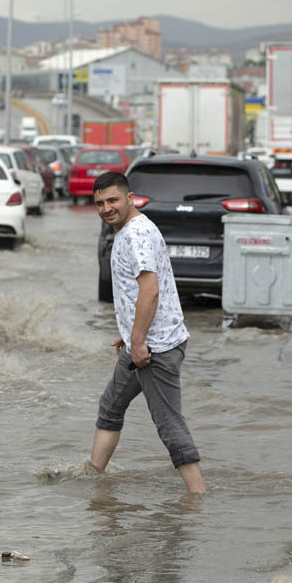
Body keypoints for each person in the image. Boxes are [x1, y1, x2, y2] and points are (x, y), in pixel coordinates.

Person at [87, 171, 206, 493]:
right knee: (111, 407)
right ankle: (93, 477)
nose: (106, 208)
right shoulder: (130, 229)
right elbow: (142, 293)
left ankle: (198, 498)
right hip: (142, 343)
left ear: (130, 198)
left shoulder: (136, 235)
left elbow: (150, 290)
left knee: (169, 423)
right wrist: (129, 334)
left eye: (113, 200)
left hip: (154, 350)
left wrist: (138, 342)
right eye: (99, 203)